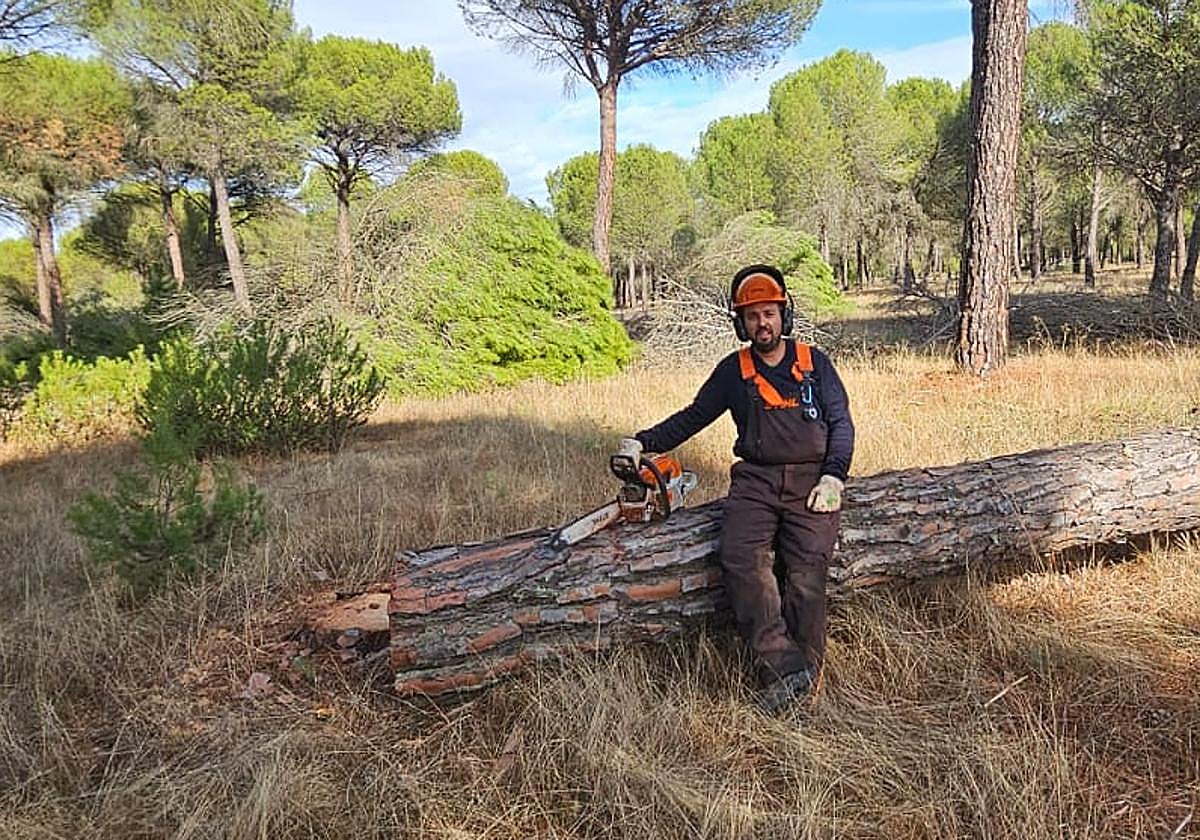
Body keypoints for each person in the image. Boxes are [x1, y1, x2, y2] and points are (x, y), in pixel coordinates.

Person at [616, 263, 854, 714]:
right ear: (740, 323)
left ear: (784, 314)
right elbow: (692, 417)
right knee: (741, 558)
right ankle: (784, 670)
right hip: (756, 481)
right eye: (752, 316)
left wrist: (834, 475)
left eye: (769, 313)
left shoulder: (814, 363)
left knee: (806, 576)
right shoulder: (733, 371)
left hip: (812, 479)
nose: (762, 323)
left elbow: (841, 423)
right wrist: (642, 441)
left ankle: (808, 677)